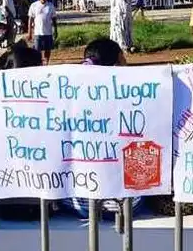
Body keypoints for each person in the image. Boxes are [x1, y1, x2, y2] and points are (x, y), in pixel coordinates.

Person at [56, 37, 144, 221]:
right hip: (127, 204)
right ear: (119, 61)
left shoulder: (66, 101)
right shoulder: (135, 101)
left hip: (77, 203)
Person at [26, 0, 58, 65]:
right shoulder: (34, 5)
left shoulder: (50, 6)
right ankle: (38, 64)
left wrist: (55, 30)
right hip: (38, 32)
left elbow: (54, 18)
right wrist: (29, 32)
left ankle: (46, 63)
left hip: (48, 32)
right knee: (37, 50)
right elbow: (30, 19)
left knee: (47, 50)